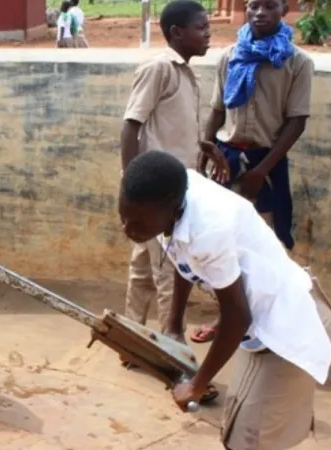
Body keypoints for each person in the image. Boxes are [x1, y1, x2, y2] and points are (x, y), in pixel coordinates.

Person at [119, 150, 331, 450]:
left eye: (137, 223)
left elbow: (238, 316)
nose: (128, 229)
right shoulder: (172, 194)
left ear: (170, 209)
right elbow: (182, 256)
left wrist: (196, 385)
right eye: (123, 217)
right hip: (276, 306)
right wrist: (174, 325)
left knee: (245, 440)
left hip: (283, 324)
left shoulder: (207, 230)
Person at [193, 0, 313, 345]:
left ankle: (266, 324)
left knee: (269, 243)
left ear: (283, 10)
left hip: (268, 162)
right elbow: (218, 111)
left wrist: (261, 171)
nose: (259, 13)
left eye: (269, 6)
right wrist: (205, 149)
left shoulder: (296, 62)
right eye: (252, 5)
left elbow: (296, 122)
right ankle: (230, 319)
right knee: (225, 242)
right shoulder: (231, 56)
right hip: (226, 158)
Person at [119, 0, 229, 372]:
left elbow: (170, 128)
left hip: (174, 193)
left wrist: (204, 145)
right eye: (202, 27)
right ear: (177, 33)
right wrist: (132, 191)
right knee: (169, 273)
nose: (208, 33)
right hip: (158, 198)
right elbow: (132, 125)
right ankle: (170, 353)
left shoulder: (186, 73)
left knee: (143, 270)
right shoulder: (159, 68)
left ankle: (129, 340)